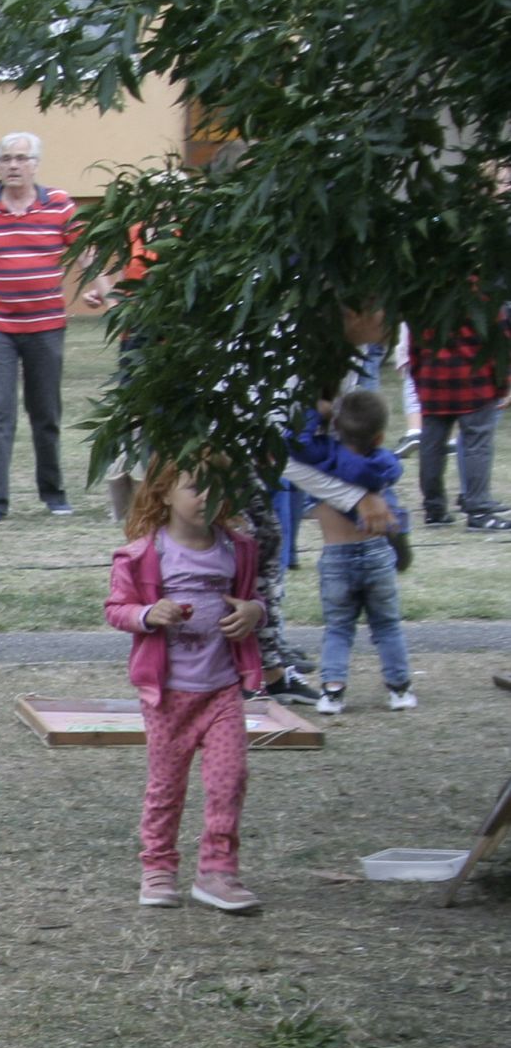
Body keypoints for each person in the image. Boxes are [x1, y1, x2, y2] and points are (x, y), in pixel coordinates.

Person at [104, 461, 267, 913]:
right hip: (168, 695)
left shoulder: (238, 549)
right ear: (164, 494)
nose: (207, 496)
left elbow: (256, 599)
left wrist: (253, 612)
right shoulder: (143, 554)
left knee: (229, 781)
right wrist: (147, 614)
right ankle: (158, 868)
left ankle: (217, 872)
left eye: (217, 487)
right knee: (166, 786)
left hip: (222, 691)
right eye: (195, 487)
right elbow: (116, 608)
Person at [0, 134, 111, 523]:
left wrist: (108, 295)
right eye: (6, 158)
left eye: (22, 158)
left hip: (46, 325)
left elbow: (86, 254)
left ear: (35, 164)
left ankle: (53, 493)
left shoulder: (60, 204)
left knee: (46, 411)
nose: (13, 165)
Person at [292, 389, 416, 713]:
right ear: (379, 437)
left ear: (335, 426)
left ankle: (332, 692)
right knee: (387, 626)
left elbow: (296, 443)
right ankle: (399, 689)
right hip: (376, 553)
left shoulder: (323, 462)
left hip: (336, 557)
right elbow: (395, 473)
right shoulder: (380, 465)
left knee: (338, 628)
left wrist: (315, 414)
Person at [409, 313, 506, 530]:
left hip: (433, 381)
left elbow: (413, 345)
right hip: (475, 381)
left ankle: (434, 510)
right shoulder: (485, 297)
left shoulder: (423, 301)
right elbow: (500, 340)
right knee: (477, 446)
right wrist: (503, 382)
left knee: (431, 446)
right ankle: (479, 510)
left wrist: (419, 381)